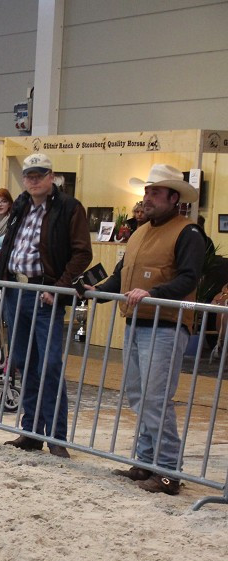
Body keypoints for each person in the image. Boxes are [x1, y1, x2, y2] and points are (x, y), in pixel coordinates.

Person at [88, 165, 204, 495]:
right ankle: (145, 461)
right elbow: (121, 276)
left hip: (166, 325)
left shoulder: (189, 233)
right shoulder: (138, 233)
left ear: (173, 197)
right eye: (147, 192)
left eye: (155, 193)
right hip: (136, 322)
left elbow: (189, 278)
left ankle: (167, 471)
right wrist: (96, 289)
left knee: (156, 399)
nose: (147, 198)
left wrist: (153, 294)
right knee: (139, 396)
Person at [0, 152, 92, 458]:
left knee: (49, 365)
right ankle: (31, 431)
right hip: (16, 290)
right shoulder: (22, 204)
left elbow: (82, 253)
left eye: (40, 175)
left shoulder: (69, 207)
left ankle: (57, 436)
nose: (34, 180)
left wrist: (59, 287)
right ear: (24, 179)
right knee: (23, 361)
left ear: (52, 177)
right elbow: (10, 248)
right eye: (29, 176)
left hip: (44, 293)